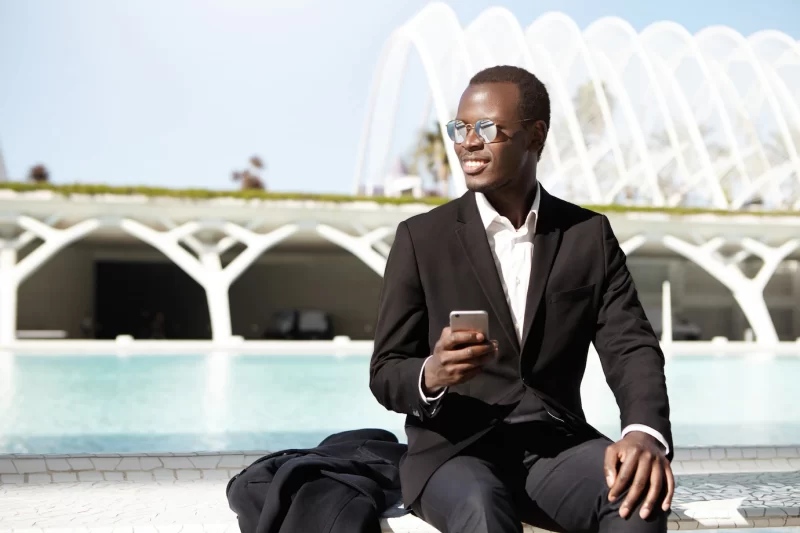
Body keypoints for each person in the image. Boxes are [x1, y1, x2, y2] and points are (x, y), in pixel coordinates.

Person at [370, 65, 673, 533]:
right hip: (453, 453)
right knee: (483, 511)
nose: (468, 142)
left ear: (535, 136)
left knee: (637, 498)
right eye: (460, 128)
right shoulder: (420, 238)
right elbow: (386, 369)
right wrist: (431, 374)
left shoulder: (587, 235)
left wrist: (643, 432)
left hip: (556, 448)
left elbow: (630, 346)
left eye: (487, 128)